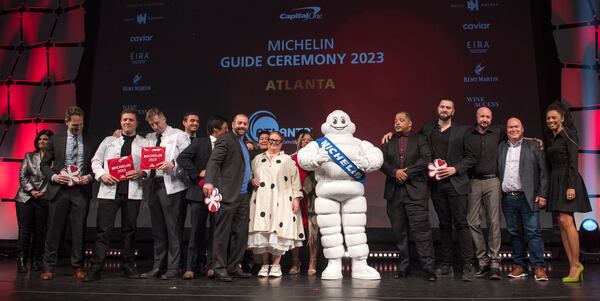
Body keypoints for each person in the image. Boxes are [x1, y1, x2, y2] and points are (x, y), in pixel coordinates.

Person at [298, 110, 383, 280]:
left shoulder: (358, 142)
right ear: (328, 123)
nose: (339, 122)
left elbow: (376, 154)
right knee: (330, 230)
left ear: (349, 123)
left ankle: (360, 264)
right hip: (326, 192)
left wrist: (368, 162)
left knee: (356, 229)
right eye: (334, 120)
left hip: (353, 192)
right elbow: (303, 156)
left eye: (342, 119)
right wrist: (315, 159)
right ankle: (333, 264)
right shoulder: (320, 144)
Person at [84, 108, 146, 282]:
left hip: (132, 192)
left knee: (129, 232)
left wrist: (142, 173)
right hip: (109, 192)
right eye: (124, 120)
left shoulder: (144, 142)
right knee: (103, 231)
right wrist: (102, 174)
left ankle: (128, 266)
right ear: (120, 122)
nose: (127, 122)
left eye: (131, 120)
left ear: (136, 123)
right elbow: (95, 161)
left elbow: (149, 164)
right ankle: (96, 268)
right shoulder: (109, 140)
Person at [420, 99, 477, 281]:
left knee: (461, 223)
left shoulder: (462, 131)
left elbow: (471, 157)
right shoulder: (428, 129)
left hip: (456, 183)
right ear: (438, 109)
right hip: (437, 184)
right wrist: (391, 134)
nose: (444, 109)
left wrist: (455, 169)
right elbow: (413, 141)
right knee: (444, 225)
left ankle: (468, 265)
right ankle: (446, 264)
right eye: (442, 106)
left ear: (453, 111)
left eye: (448, 107)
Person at [40, 106, 99, 280]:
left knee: (79, 230)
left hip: (80, 191)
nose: (77, 128)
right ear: (66, 122)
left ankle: (77, 266)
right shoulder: (55, 140)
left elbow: (96, 165)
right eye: (74, 125)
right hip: (59, 190)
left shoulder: (91, 140)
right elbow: (44, 165)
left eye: (80, 124)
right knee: (54, 229)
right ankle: (48, 266)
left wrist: (88, 177)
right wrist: (54, 177)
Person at [380, 112, 436, 281]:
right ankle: (404, 266)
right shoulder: (388, 141)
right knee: (399, 233)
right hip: (394, 192)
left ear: (410, 124)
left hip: (416, 192)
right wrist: (394, 172)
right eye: (395, 120)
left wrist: (407, 172)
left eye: (401, 120)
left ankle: (429, 268)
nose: (397, 123)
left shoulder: (420, 139)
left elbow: (426, 159)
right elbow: (380, 162)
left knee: (422, 232)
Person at [139, 108, 190, 280]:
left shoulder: (179, 135)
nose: (155, 126)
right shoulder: (149, 138)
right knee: (158, 229)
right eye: (151, 124)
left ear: (164, 118)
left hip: (172, 186)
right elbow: (146, 163)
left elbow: (187, 158)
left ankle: (173, 268)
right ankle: (157, 266)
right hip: (154, 184)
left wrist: (173, 165)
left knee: (172, 228)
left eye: (157, 122)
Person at [544, 102, 592, 283]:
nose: (551, 120)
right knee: (561, 221)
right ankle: (574, 263)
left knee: (566, 220)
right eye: (548, 118)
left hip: (567, 179)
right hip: (556, 179)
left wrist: (571, 186)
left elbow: (573, 161)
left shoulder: (569, 135)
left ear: (562, 118)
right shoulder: (553, 138)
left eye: (554, 117)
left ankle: (575, 265)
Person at [177, 115, 229, 279]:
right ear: (216, 130)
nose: (227, 132)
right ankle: (190, 267)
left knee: (216, 231)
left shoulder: (227, 145)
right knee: (196, 231)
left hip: (218, 194)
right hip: (198, 193)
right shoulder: (200, 142)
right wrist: (197, 172)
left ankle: (211, 266)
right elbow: (182, 158)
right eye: (225, 129)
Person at [203, 114, 253, 282]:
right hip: (227, 194)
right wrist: (209, 182)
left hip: (243, 195)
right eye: (239, 123)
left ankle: (234, 267)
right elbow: (213, 162)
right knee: (222, 234)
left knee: (240, 234)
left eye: (245, 123)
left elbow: (240, 167)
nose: (242, 126)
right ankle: (219, 268)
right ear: (233, 124)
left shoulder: (243, 144)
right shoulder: (225, 140)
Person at [498, 117, 549, 281]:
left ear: (523, 128)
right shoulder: (501, 147)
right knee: (514, 233)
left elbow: (543, 172)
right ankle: (519, 265)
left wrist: (543, 194)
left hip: (529, 198)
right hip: (508, 198)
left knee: (533, 233)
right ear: (506, 130)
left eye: (516, 126)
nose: (513, 129)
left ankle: (539, 267)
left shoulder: (533, 145)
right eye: (510, 127)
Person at [248, 131, 304, 278]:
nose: (273, 143)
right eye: (271, 140)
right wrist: (252, 180)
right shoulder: (258, 159)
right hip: (261, 200)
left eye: (277, 141)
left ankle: (276, 265)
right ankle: (265, 265)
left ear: (281, 143)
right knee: (263, 231)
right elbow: (250, 175)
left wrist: (296, 198)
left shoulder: (288, 160)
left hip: (282, 201)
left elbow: (295, 181)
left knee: (277, 232)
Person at [466, 107, 504, 280]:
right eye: (482, 116)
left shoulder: (497, 131)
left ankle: (494, 262)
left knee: (494, 222)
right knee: (472, 221)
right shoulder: (468, 133)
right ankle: (482, 261)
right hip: (473, 181)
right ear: (476, 116)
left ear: (491, 118)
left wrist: (533, 140)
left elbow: (515, 134)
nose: (485, 119)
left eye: (488, 117)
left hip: (492, 181)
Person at [14, 130, 53, 273]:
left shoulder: (55, 159)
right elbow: (22, 176)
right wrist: (32, 191)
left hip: (43, 198)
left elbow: (54, 178)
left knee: (39, 231)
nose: (42, 142)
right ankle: (21, 261)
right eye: (40, 139)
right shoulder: (29, 156)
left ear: (51, 142)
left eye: (45, 139)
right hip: (25, 197)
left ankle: (36, 261)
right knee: (24, 230)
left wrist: (44, 192)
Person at [288, 130, 320, 276]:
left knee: (312, 231)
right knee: (295, 232)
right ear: (298, 142)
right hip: (296, 200)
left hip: (312, 200)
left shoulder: (317, 160)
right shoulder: (291, 159)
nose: (306, 142)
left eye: (309, 139)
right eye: (303, 139)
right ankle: (296, 262)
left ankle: (312, 261)